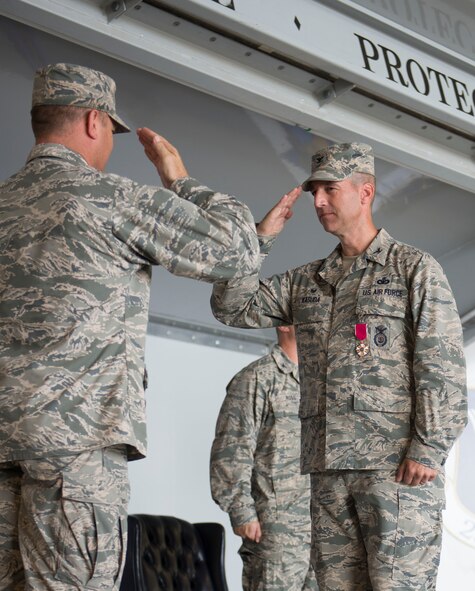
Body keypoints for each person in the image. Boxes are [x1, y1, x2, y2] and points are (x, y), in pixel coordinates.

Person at [0, 62, 260, 591]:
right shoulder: (108, 198)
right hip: (77, 448)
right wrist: (178, 178)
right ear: (94, 121)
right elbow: (235, 250)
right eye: (110, 134)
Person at [211, 142, 467, 591]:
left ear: (365, 192)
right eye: (313, 192)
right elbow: (231, 307)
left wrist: (429, 448)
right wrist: (261, 237)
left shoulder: (412, 269)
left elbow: (442, 363)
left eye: (329, 189)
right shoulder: (305, 281)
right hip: (328, 472)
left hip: (395, 471)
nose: (318, 202)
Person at [210, 325, 317, 591]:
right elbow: (232, 449)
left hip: (323, 530)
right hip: (276, 530)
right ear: (284, 325)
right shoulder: (257, 378)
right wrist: (242, 512)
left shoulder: (322, 383)